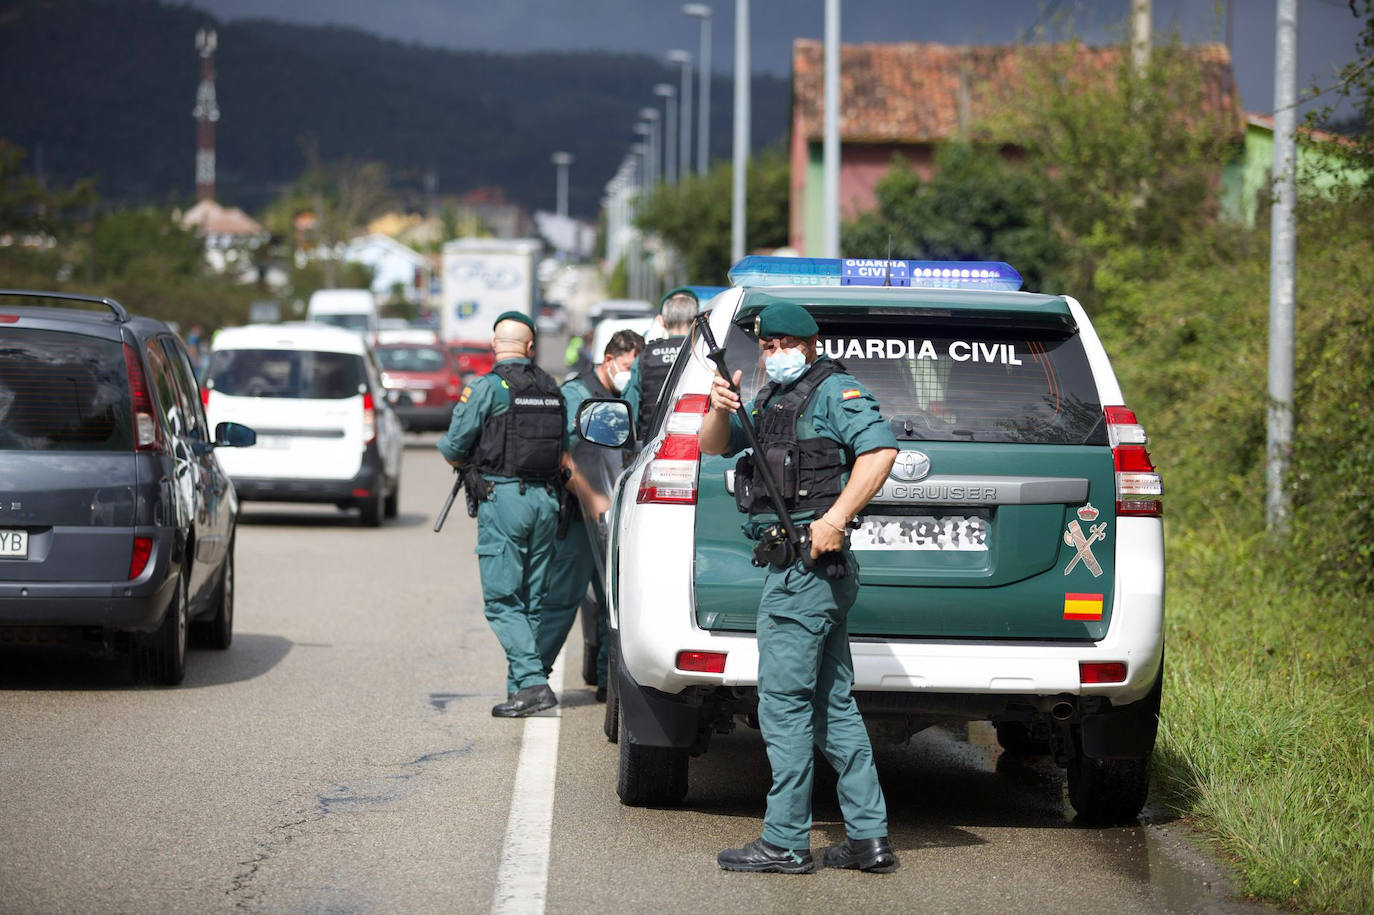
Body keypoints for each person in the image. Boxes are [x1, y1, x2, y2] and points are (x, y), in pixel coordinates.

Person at [699, 301, 900, 875]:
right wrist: (720, 407)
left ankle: (785, 841)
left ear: (811, 343)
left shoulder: (835, 392)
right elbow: (716, 444)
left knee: (784, 707)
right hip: (803, 573)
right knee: (832, 705)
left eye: (783, 342)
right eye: (765, 345)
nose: (773, 352)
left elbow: (882, 451)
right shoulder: (771, 399)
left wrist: (834, 519)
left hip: (805, 574)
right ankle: (867, 837)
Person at [437, 311, 566, 718]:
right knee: (531, 600)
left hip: (505, 500)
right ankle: (521, 693)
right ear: (530, 348)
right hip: (547, 501)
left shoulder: (487, 388)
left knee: (500, 601)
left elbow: (454, 447)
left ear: (495, 346)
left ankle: (530, 682)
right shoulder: (552, 388)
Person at [536, 328, 644, 701]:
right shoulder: (577, 393)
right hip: (583, 515)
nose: (631, 373)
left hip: (615, 518)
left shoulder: (623, 394)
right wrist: (592, 498)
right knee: (563, 598)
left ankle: (605, 683)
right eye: (628, 364)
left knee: (609, 602)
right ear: (611, 359)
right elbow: (561, 454)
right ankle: (531, 678)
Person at [623, 287, 700, 441]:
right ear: (696, 320)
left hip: (651, 448)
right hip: (697, 444)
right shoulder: (703, 353)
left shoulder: (644, 357)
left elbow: (630, 411)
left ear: (662, 321)